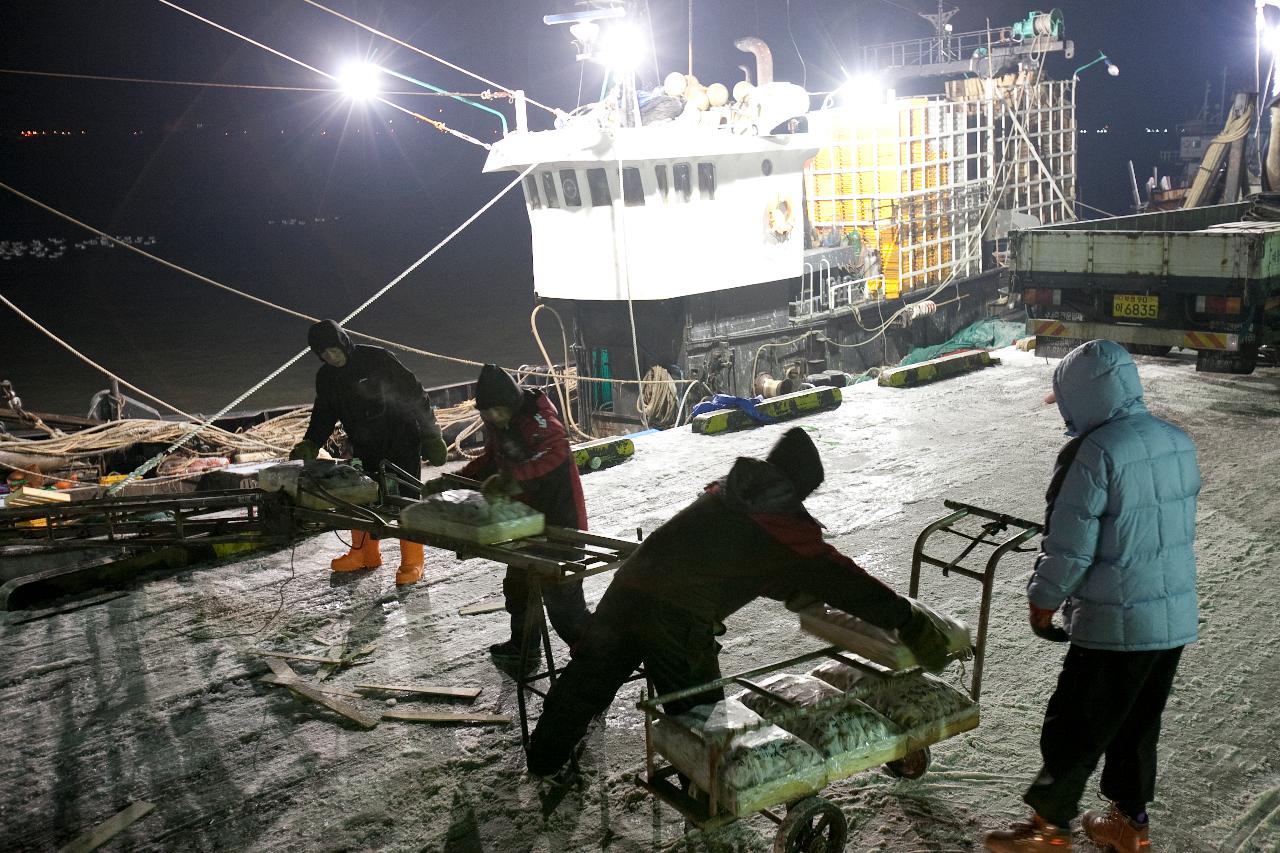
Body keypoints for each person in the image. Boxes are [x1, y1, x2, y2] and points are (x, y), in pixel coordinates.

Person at [525, 426, 954, 778]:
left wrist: (790, 586)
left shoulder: (730, 495)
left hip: (628, 591)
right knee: (702, 721)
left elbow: (732, 559)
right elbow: (844, 581)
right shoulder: (779, 526)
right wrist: (907, 620)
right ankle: (709, 802)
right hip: (676, 620)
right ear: (800, 488)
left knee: (585, 683)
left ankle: (543, 761)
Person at [983, 340, 1200, 853]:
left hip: (1114, 622)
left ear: (1082, 397)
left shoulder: (1093, 452)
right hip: (1171, 621)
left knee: (1075, 724)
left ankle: (1047, 828)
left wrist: (1044, 599)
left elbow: (1070, 543)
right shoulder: (1175, 440)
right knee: (1136, 725)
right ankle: (1130, 824)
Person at [290, 319, 448, 586]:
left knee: (405, 499)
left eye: (333, 350)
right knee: (361, 497)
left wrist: (432, 434)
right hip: (365, 444)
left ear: (343, 343)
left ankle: (413, 560)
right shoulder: (326, 377)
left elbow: (415, 394)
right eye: (323, 354)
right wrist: (311, 443)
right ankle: (364, 554)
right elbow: (323, 414)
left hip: (401, 439)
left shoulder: (378, 359)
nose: (330, 357)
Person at [458, 364, 591, 670]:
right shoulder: (498, 422)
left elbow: (556, 454)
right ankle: (524, 648)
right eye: (486, 413)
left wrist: (510, 479)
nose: (491, 419)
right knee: (519, 588)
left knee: (563, 604)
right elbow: (493, 458)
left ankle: (594, 657)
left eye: (496, 412)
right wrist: (460, 478)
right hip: (523, 520)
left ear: (511, 405)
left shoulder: (539, 419)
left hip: (560, 518)